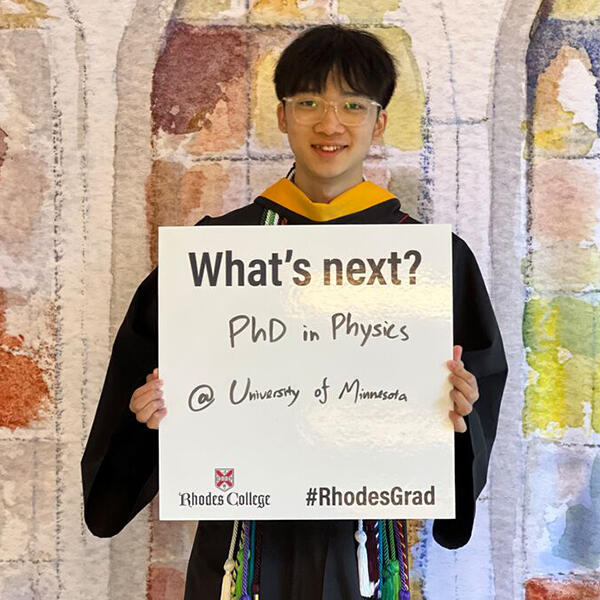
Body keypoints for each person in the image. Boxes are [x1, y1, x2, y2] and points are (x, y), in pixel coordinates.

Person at [81, 24, 508, 599]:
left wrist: (459, 419)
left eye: (353, 105)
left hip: (364, 553)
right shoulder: (214, 254)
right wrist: (149, 417)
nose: (329, 124)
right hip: (239, 555)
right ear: (282, 117)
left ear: (379, 122)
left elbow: (463, 428)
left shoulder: (429, 263)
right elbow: (142, 420)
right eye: (308, 102)